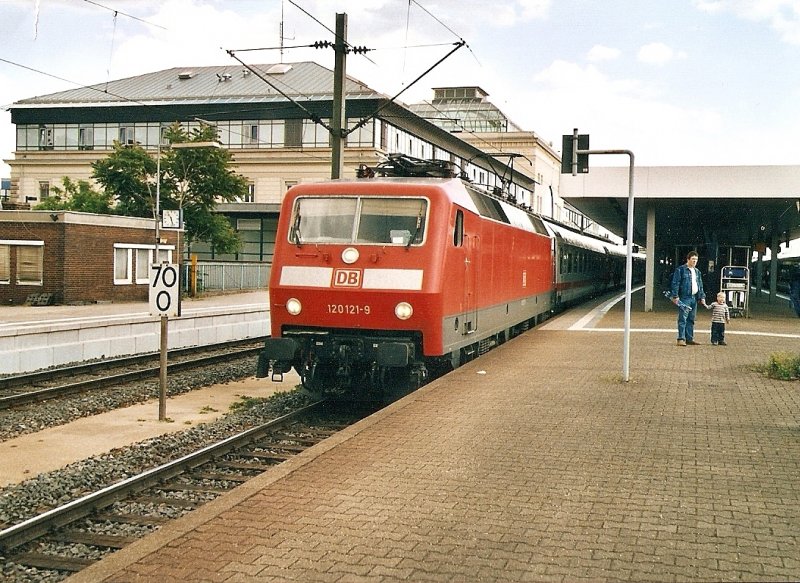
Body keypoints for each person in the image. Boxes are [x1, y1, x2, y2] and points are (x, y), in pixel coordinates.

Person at [669, 251, 706, 346]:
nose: (695, 261)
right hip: (684, 297)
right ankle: (681, 338)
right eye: (693, 259)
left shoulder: (697, 272)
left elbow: (700, 285)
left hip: (694, 298)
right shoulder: (680, 270)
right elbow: (675, 283)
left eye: (696, 260)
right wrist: (675, 296)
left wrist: (702, 296)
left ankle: (689, 338)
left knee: (691, 319)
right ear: (688, 259)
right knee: (683, 318)